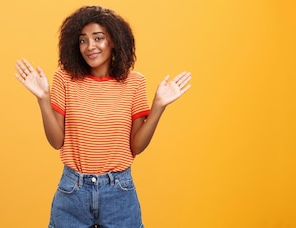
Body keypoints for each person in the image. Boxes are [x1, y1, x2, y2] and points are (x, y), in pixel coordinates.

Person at [15, 5, 191, 228]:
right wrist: (42, 98)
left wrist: (158, 106)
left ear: (114, 41)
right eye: (83, 40)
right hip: (72, 190)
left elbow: (136, 146)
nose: (90, 47)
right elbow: (56, 141)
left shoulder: (135, 83)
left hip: (119, 190)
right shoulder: (64, 79)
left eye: (98, 38)